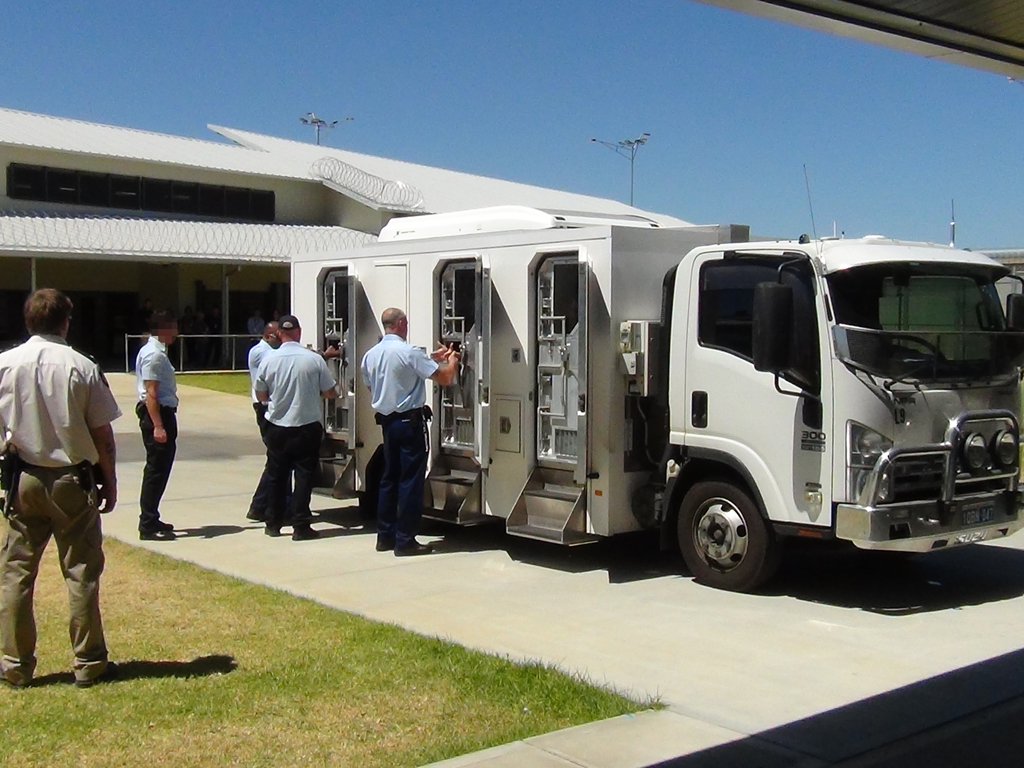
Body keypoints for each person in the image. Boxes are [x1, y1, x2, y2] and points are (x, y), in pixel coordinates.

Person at [0, 288, 120, 688]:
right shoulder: (81, 366)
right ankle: (88, 661)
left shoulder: (5, 364)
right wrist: (110, 480)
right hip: (71, 477)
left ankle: (15, 663)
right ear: (65, 322)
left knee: (16, 573)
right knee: (81, 571)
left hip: (24, 477)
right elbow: (102, 434)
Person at [360, 307, 459, 556]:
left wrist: (431, 360)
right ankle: (405, 540)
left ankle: (385, 536)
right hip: (409, 424)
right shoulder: (409, 351)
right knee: (410, 482)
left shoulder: (371, 355)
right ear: (402, 323)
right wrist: (453, 361)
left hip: (387, 422)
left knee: (389, 479)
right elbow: (445, 378)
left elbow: (373, 387)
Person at [254, 314, 337, 541]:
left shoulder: (269, 360)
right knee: (304, 477)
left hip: (277, 426)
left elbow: (261, 393)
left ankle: (273, 522)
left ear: (279, 333)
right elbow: (330, 391)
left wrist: (273, 401)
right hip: (306, 425)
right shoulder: (313, 360)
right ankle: (300, 525)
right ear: (298, 332)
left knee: (276, 475)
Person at [135, 310, 179, 541]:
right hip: (158, 413)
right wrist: (158, 425)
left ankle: (152, 515)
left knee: (160, 468)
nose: (177, 333)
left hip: (161, 411)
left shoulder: (157, 352)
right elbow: (151, 393)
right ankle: (147, 522)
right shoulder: (154, 355)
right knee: (156, 469)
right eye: (173, 327)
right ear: (162, 329)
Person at [246, 321, 279, 522]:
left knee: (276, 458)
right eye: (278, 335)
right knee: (276, 458)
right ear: (268, 336)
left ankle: (266, 504)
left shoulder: (268, 350)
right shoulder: (260, 352)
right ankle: (260, 505)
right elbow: (279, 364)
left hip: (268, 406)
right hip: (265, 407)